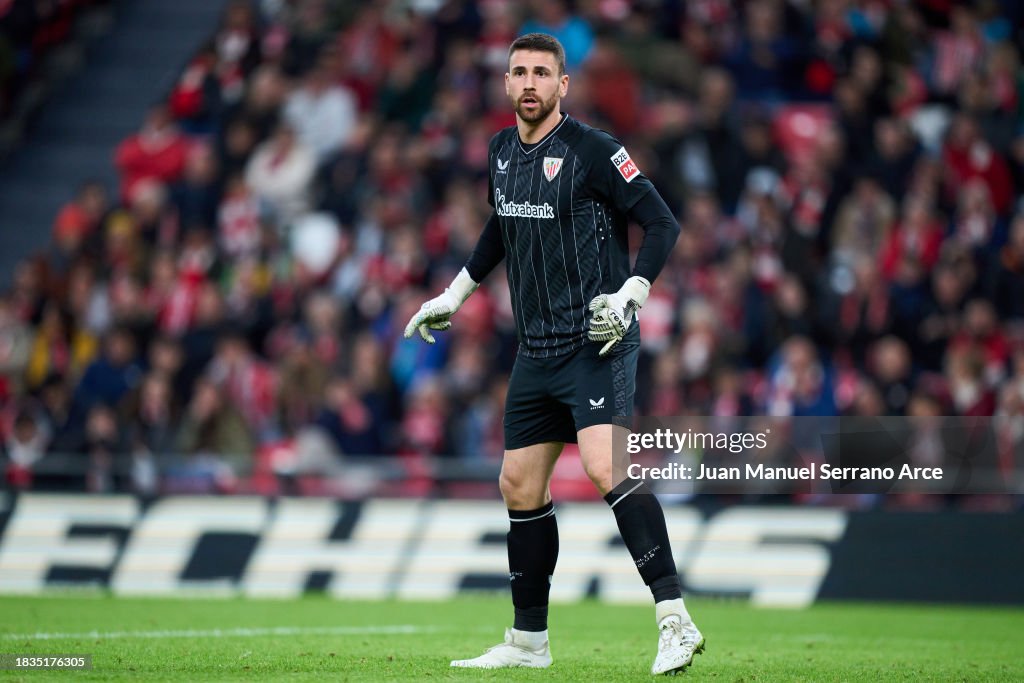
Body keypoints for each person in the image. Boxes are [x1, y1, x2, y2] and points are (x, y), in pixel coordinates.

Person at [404, 33, 703, 676]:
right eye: (520, 72)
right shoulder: (500, 153)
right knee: (518, 484)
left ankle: (675, 619)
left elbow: (662, 222)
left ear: (563, 84)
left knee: (603, 466)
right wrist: (456, 293)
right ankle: (528, 642)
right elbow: (501, 226)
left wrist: (633, 291)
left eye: (544, 72)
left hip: (598, 338)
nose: (531, 82)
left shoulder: (595, 151)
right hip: (536, 349)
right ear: (507, 85)